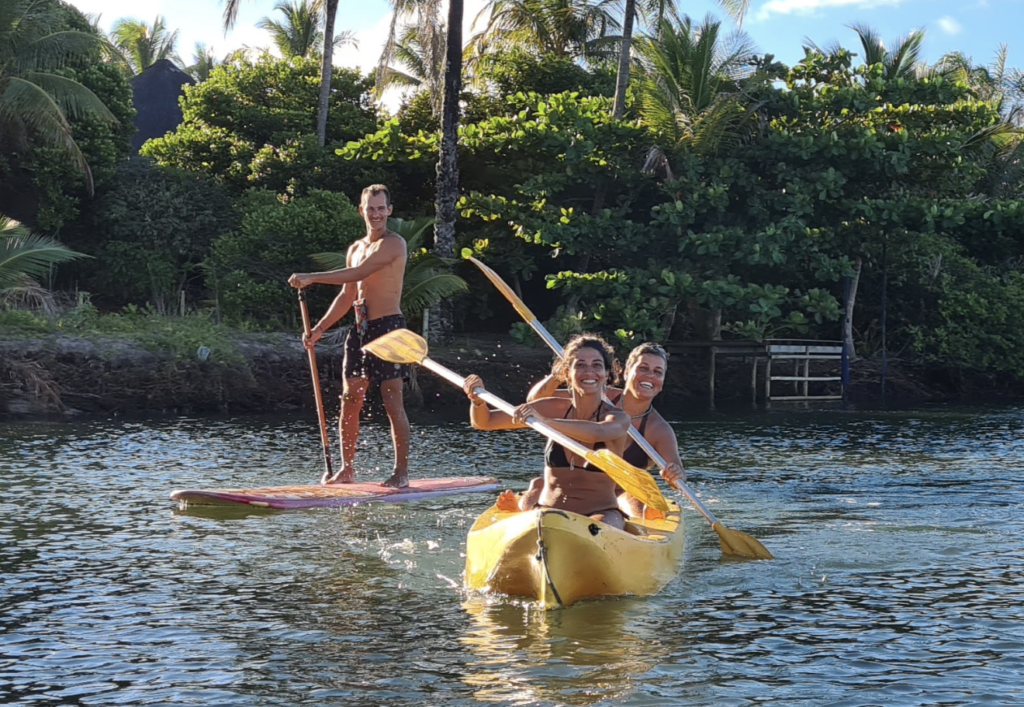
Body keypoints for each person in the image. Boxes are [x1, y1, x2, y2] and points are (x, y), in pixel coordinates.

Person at [288, 184, 411, 488]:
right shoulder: (355, 248)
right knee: (349, 398)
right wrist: (318, 331)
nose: (376, 214)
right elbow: (347, 294)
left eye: (382, 208)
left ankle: (401, 473)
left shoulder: (394, 244)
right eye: (371, 208)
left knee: (392, 401)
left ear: (389, 211)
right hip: (360, 330)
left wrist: (312, 277)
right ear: (362, 210)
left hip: (389, 329)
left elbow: (359, 274)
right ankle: (347, 469)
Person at [462, 334, 632, 530]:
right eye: (580, 365)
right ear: (567, 373)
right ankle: (524, 509)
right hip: (548, 513)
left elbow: (596, 433)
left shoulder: (617, 418)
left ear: (606, 373)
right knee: (541, 518)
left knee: (596, 529)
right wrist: (477, 401)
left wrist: (544, 421)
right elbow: (485, 422)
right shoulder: (551, 407)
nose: (589, 371)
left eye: (596, 365)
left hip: (601, 513)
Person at [528, 342, 685, 517]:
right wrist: (563, 370)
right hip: (571, 486)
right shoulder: (596, 393)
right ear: (626, 372)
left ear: (662, 382)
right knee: (538, 488)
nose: (649, 376)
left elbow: (679, 475)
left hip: (618, 493)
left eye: (657, 372)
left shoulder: (659, 429)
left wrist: (675, 474)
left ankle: (644, 528)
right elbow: (536, 400)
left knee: (634, 501)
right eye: (643, 368)